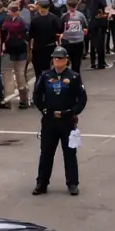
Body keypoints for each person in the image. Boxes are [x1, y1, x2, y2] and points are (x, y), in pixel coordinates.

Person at [32, 46, 87, 197]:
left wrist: (74, 112)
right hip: (49, 120)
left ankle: (72, 183)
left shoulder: (74, 77)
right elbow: (37, 95)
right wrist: (43, 109)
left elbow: (82, 98)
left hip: (67, 120)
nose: (58, 61)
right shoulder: (45, 76)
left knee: (69, 153)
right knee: (46, 153)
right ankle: (41, 183)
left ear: (66, 60)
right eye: (56, 58)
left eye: (61, 58)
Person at [1, 1, 31, 108]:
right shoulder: (23, 21)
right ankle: (24, 99)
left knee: (8, 75)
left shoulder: (7, 22)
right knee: (20, 74)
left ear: (10, 11)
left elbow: (3, 34)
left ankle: (8, 99)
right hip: (22, 50)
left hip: (9, 51)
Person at [27, 0, 59, 82]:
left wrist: (30, 49)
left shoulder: (35, 19)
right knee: (50, 69)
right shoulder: (54, 18)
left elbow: (31, 36)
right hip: (50, 47)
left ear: (39, 7)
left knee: (38, 71)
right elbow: (58, 32)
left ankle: (39, 87)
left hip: (38, 48)